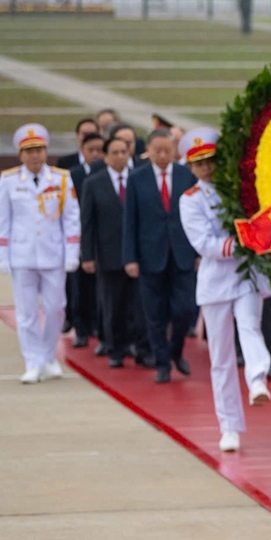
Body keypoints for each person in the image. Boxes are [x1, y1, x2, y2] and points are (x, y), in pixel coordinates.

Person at [179, 129, 271, 452]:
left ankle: (258, 377)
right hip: (217, 279)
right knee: (221, 357)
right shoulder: (189, 200)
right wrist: (244, 242)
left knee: (249, 325)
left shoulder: (237, 189)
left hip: (247, 274)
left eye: (211, 160)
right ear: (190, 167)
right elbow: (204, 243)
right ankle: (229, 425)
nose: (207, 167)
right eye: (199, 162)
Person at [0, 124, 80, 384]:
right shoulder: (9, 181)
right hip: (22, 254)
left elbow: (71, 218)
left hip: (54, 254)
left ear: (46, 151)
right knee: (27, 312)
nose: (34, 155)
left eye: (39, 149)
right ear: (20, 154)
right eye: (29, 151)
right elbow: (1, 219)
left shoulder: (61, 179)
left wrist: (72, 250)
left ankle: (49, 356)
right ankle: (32, 361)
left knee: (56, 309)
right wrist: (0, 255)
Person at [123, 127, 198, 384]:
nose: (163, 155)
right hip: (149, 256)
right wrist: (130, 258)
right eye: (158, 150)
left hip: (183, 255)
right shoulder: (137, 178)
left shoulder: (187, 175)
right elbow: (130, 221)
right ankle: (163, 363)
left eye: (168, 150)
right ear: (148, 151)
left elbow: (197, 218)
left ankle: (176, 351)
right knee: (154, 315)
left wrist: (198, 252)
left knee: (184, 310)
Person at [78, 134, 147, 368]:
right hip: (108, 255)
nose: (120, 156)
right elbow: (86, 223)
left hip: (138, 256)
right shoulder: (93, 184)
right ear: (106, 157)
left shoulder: (138, 180)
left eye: (123, 152)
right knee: (113, 307)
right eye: (114, 153)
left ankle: (142, 349)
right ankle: (117, 349)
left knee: (139, 306)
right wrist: (87, 255)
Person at [66, 132, 105, 349]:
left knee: (101, 290)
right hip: (80, 239)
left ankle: (100, 328)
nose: (96, 154)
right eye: (91, 150)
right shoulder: (73, 175)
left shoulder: (108, 175)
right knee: (79, 288)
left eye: (100, 150)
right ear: (83, 151)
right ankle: (81, 330)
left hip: (104, 240)